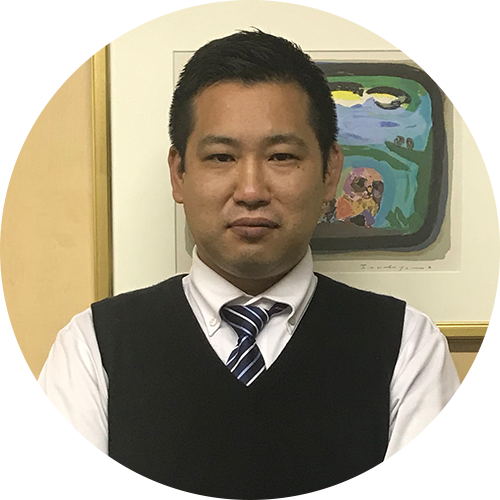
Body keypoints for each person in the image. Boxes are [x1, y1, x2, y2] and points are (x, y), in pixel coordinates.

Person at [23, 30, 471, 499]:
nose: (252, 190)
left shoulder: (406, 346)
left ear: (330, 172)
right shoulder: (93, 346)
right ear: (179, 174)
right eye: (221, 157)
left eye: (282, 156)